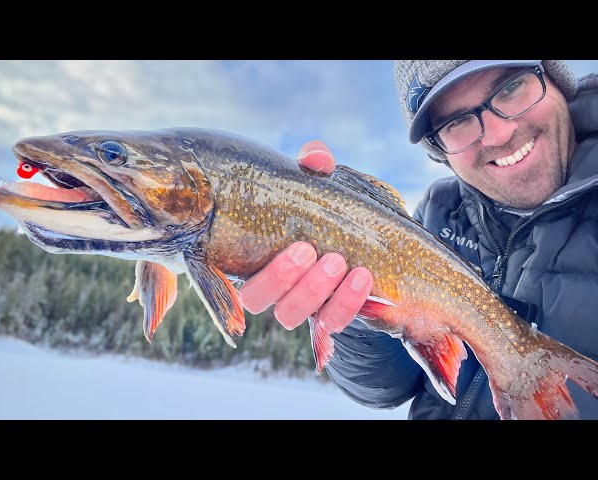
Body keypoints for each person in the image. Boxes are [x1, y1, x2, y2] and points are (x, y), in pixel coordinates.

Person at [238, 60, 598, 420]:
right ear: (439, 148)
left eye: (511, 88)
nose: (498, 133)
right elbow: (385, 387)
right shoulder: (435, 217)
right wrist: (353, 305)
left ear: (556, 80)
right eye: (457, 121)